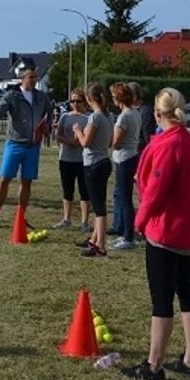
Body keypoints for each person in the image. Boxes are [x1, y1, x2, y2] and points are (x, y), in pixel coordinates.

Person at [121, 88, 190, 380]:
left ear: (158, 115)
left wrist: (139, 221)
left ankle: (153, 365)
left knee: (161, 300)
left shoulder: (168, 145)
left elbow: (157, 190)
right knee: (188, 293)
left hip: (166, 230)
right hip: (188, 231)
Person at [0, 63, 52, 228]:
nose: (34, 80)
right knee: (5, 179)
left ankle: (21, 216)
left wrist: (47, 126)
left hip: (32, 146)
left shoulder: (42, 97)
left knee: (26, 182)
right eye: (31, 77)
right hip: (14, 144)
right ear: (22, 79)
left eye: (35, 77)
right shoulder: (12, 95)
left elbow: (49, 112)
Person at [71, 82, 113, 257]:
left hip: (93, 164)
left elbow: (85, 143)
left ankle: (100, 246)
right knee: (99, 202)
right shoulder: (108, 116)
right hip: (104, 161)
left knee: (98, 208)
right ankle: (94, 240)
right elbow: (110, 142)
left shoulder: (95, 118)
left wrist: (78, 130)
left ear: (88, 99)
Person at [108, 82, 142, 251]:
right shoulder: (135, 113)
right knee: (124, 196)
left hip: (123, 158)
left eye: (114, 96)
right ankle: (124, 233)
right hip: (131, 155)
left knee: (125, 198)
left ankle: (128, 236)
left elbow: (116, 142)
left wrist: (111, 141)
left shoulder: (124, 117)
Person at [53, 89, 91, 231]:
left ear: (85, 102)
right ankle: (66, 219)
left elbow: (90, 137)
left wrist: (80, 138)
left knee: (84, 191)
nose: (75, 104)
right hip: (66, 158)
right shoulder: (65, 116)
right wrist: (68, 141)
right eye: (72, 101)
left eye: (78, 101)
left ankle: (85, 222)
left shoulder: (89, 117)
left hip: (83, 160)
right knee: (67, 190)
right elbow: (58, 135)